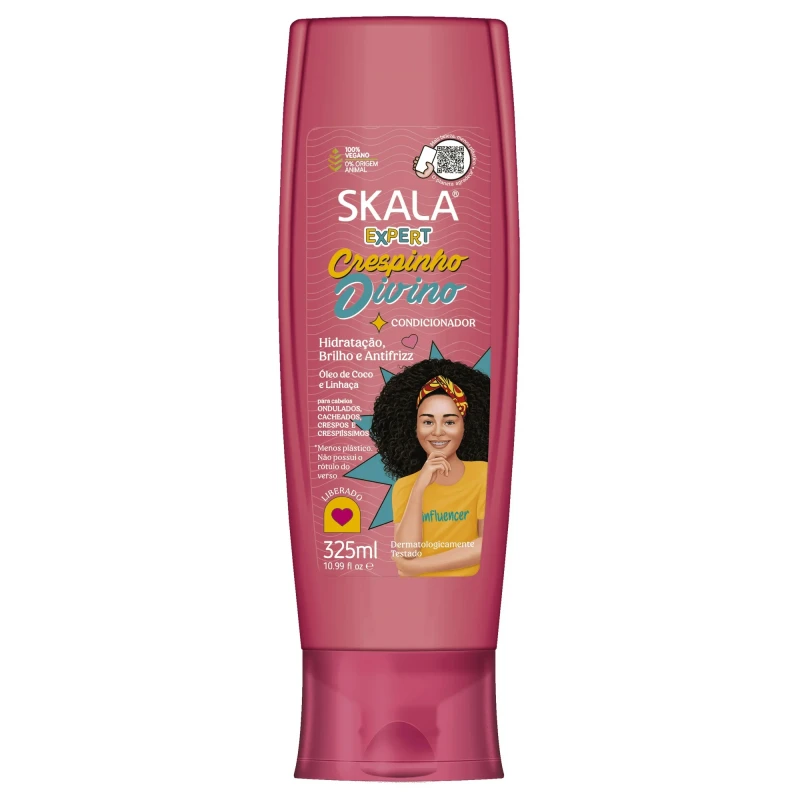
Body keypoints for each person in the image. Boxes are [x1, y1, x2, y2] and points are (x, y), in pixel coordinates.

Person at [369, 359, 490, 577]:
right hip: (414, 592)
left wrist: (416, 567)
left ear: (466, 426)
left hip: (468, 589)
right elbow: (407, 551)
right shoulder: (405, 486)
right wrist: (419, 487)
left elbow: (486, 545)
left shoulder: (483, 474)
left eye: (449, 422)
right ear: (414, 428)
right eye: (427, 422)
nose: (438, 431)